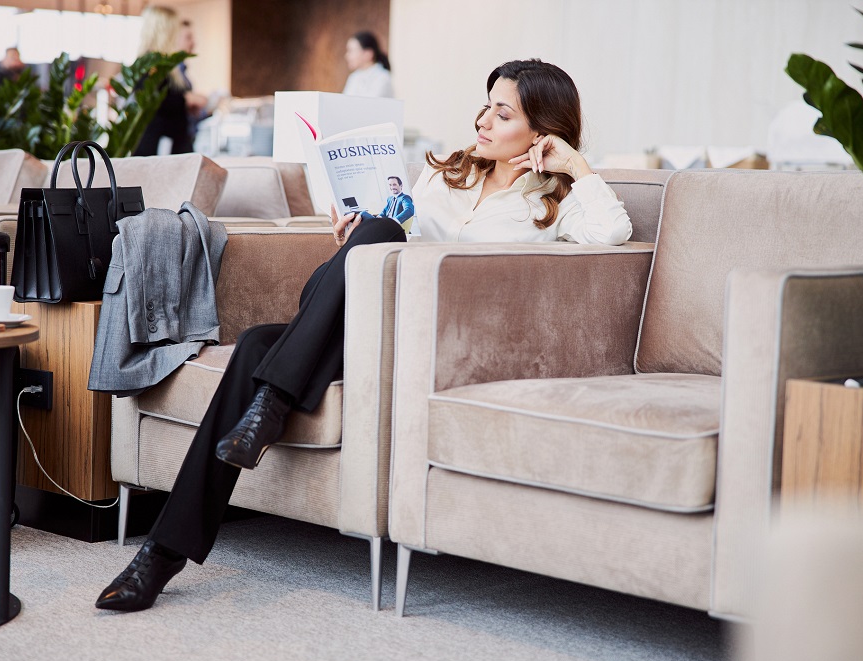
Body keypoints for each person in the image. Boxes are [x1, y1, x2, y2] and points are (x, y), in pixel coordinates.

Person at [95, 58, 632, 613]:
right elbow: (396, 235)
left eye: (503, 113)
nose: (483, 122)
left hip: (439, 343)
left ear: (543, 130)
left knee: (263, 343)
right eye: (485, 105)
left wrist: (575, 164)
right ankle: (162, 551)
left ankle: (264, 411)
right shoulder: (446, 173)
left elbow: (613, 232)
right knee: (367, 235)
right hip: (366, 321)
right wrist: (352, 239)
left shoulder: (556, 201)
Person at [133, 6, 208, 155]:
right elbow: (158, 102)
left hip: (172, 146)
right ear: (164, 31)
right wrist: (185, 100)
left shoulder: (166, 65)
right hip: (160, 150)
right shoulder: (149, 64)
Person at [342, 31, 394, 98]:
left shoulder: (383, 78)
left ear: (368, 54)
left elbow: (369, 105)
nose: (347, 56)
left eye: (351, 51)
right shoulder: (354, 77)